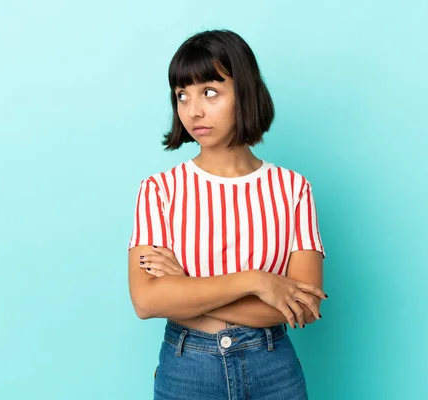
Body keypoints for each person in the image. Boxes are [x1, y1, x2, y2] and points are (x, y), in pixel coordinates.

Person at [128, 29, 328, 400]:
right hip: (187, 369)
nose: (193, 110)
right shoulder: (159, 190)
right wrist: (257, 282)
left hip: (273, 370)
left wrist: (186, 290)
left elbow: (305, 305)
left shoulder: (292, 188)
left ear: (245, 91)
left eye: (210, 91)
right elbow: (147, 301)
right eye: (182, 96)